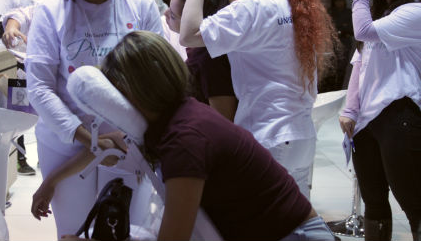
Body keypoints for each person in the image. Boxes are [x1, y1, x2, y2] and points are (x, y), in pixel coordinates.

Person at [31, 31, 335, 241]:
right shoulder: (177, 115)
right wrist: (50, 181)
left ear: (132, 90)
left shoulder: (184, 139)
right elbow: (108, 144)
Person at [25, 0, 163, 237]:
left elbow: (160, 78)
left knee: (127, 229)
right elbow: (41, 88)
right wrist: (90, 139)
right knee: (74, 229)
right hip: (68, 141)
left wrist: (140, 137)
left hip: (131, 142)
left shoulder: (141, 5)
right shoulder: (51, 11)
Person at [180, 0, 338, 199]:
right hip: (302, 135)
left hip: (269, 134)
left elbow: (188, 35)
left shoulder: (252, 7)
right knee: (294, 221)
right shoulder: (298, 2)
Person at [338, 0, 421, 241]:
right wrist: (350, 109)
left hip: (400, 116)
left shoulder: (414, 12)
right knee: (373, 200)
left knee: (413, 202)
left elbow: (362, 32)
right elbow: (360, 64)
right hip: (367, 122)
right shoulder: (381, 15)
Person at [0, 0, 42, 176]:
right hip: (14, 60)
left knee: (30, 110)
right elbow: (2, 26)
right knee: (17, 111)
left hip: (30, 58)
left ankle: (29, 158)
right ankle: (19, 161)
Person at [165, 0, 237, 120]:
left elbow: (224, 120)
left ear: (191, 20)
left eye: (173, 15)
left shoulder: (210, 59)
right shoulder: (205, 51)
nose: (165, 14)